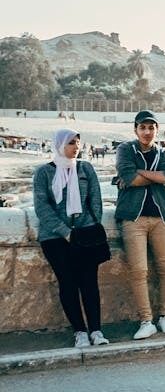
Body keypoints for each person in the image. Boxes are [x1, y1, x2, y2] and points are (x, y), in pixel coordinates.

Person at [33, 129, 109, 347]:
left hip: (84, 234)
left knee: (89, 283)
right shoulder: (44, 173)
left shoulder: (86, 168)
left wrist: (88, 226)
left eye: (77, 142)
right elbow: (42, 207)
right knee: (67, 282)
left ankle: (96, 330)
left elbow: (95, 201)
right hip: (55, 237)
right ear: (59, 145)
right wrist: (64, 231)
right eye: (70, 143)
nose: (75, 147)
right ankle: (80, 331)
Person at [115, 110, 165, 340]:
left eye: (151, 127)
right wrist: (153, 175)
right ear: (135, 130)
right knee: (139, 270)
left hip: (161, 216)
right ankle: (146, 320)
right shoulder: (125, 149)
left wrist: (139, 173)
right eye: (143, 127)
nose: (147, 131)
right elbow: (128, 177)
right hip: (134, 218)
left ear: (157, 130)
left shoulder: (163, 152)